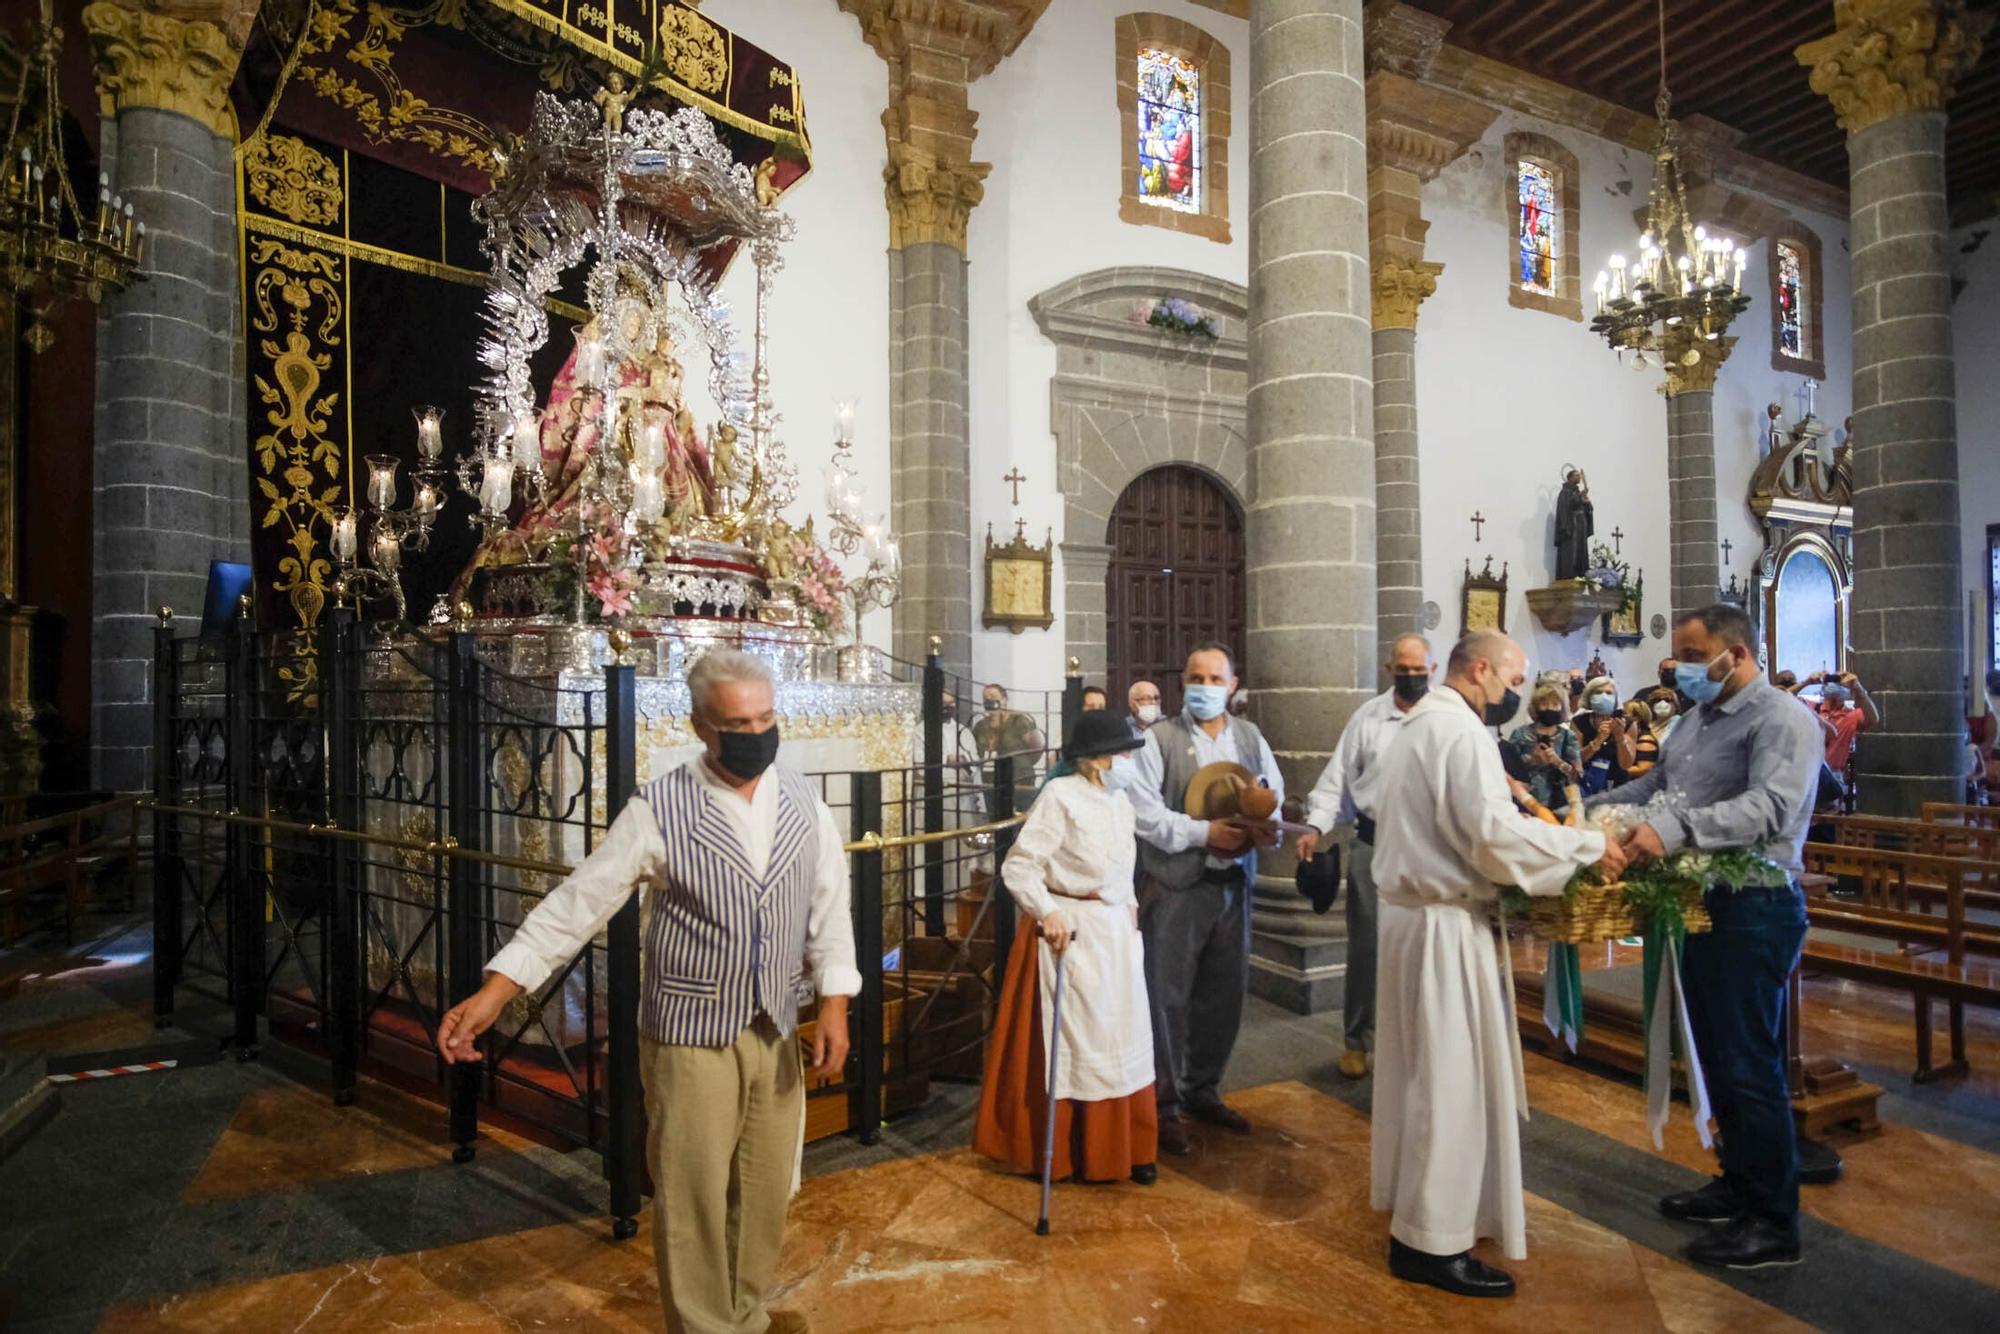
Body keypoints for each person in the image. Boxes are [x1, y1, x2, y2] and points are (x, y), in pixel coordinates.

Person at [437, 650, 855, 1334]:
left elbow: (828, 908)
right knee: (691, 1195)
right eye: (737, 723)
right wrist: (493, 993)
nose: (757, 734)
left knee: (764, 1187)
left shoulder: (805, 800)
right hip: (689, 1032)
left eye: (766, 717)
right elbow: (580, 903)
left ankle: (745, 1315)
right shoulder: (659, 808)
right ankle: (705, 1328)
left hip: (775, 1022)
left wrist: (833, 1003)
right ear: (700, 727)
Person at [1371, 630, 1625, 1297]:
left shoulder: (1418, 727)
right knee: (1450, 1085)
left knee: (1425, 1078)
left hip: (1413, 918)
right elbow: (1491, 834)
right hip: (1443, 926)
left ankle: (1436, 1211)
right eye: (1514, 677)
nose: (1520, 690)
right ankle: (1428, 1242)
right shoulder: (1461, 735)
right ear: (1480, 669)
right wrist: (1584, 847)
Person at [1598, 604, 1823, 1271]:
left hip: (1755, 906)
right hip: (1700, 904)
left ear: (1738, 654)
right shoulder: (1693, 721)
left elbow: (1770, 806)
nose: (1680, 668)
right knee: (1717, 1059)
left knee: (1750, 1063)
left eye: (1694, 655)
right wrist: (1591, 816)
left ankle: (1773, 1221)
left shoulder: (1782, 720)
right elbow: (1658, 785)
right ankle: (1737, 1183)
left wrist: (1667, 833)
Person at [973, 711, 1158, 1186]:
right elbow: (1019, 867)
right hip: (1073, 930)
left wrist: (1131, 906)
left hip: (1116, 933)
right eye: (1121, 752)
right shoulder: (1060, 797)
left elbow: (1122, 864)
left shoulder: (1119, 799)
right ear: (1096, 759)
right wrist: (1046, 911)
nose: (1126, 760)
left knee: (1124, 1038)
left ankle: (1131, 1146)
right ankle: (1078, 1152)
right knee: (1083, 1041)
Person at [1126, 641, 1283, 1154]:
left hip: (1233, 887)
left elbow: (1272, 795)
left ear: (1233, 686)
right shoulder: (1158, 740)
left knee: (1223, 997)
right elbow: (1144, 813)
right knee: (1166, 998)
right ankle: (1163, 1105)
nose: (1205, 688)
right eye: (1196, 679)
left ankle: (1203, 1091)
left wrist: (1270, 829)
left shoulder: (1251, 737)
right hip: (1176, 887)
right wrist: (1202, 834)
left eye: (1216, 680)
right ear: (1182, 683)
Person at [1296, 635, 1436, 1078]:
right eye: (1403, 670)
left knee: (1428, 946)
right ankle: (1357, 1039)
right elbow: (1336, 777)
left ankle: (1420, 1041)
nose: (1411, 677)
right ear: (1389, 669)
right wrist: (1316, 824)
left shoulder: (1448, 717)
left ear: (1432, 670)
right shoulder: (1369, 717)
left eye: (1419, 670)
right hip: (1374, 844)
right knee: (1368, 945)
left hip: (1430, 850)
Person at [1506, 684, 1582, 815]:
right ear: (1535, 707)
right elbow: (1508, 772)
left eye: (1555, 704)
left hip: (1560, 805)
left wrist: (1557, 762)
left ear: (1562, 707)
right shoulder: (1519, 734)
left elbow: (1578, 775)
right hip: (1525, 804)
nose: (1550, 708)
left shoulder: (1567, 736)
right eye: (1544, 704)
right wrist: (1533, 759)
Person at [1573, 676, 1634, 797]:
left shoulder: (1627, 723)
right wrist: (1597, 741)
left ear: (1616, 698)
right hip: (1588, 786)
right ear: (1589, 697)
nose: (1604, 696)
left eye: (1609, 693)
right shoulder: (1579, 722)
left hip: (1618, 786)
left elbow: (1626, 764)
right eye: (1598, 693)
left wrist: (1620, 738)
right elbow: (1576, 760)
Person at [1809, 670, 1879, 775]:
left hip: (1832, 773)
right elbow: (1782, 700)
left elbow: (1873, 719)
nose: (1833, 685)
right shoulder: (1811, 708)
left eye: (1837, 682)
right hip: (1808, 770)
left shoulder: (1851, 716)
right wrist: (1806, 683)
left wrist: (1857, 688)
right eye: (1830, 681)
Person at [1623, 699, 1661, 778]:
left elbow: (1643, 769)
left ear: (1637, 718)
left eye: (1624, 714)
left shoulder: (1645, 739)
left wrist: (1617, 770)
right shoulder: (1632, 735)